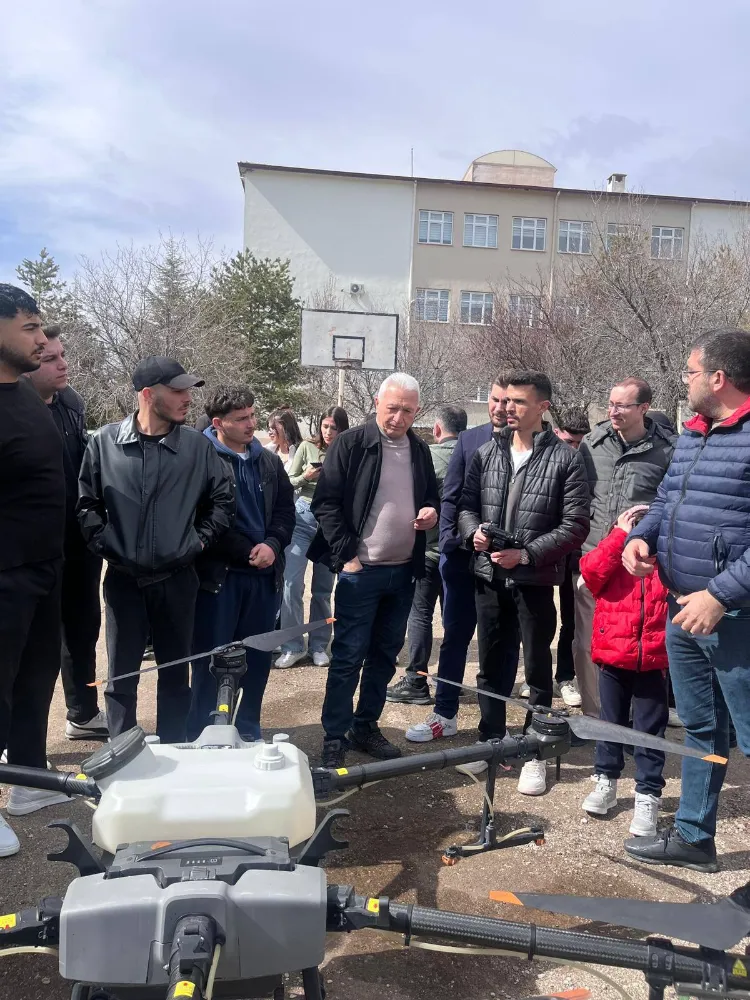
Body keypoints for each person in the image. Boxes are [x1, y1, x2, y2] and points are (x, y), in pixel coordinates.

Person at [622, 328, 750, 872]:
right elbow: (666, 499)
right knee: (701, 727)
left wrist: (720, 595)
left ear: (718, 378)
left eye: (690, 372)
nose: (685, 381)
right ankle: (695, 838)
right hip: (683, 609)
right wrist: (641, 538)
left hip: (735, 616)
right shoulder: (694, 433)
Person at [78, 356, 234, 744]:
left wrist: (197, 542)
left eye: (188, 391)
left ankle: (174, 749)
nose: (187, 399)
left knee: (176, 675)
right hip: (124, 582)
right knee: (121, 677)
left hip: (178, 580)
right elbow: (86, 505)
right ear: (148, 395)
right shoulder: (104, 444)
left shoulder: (197, 448)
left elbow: (222, 501)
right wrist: (108, 546)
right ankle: (121, 754)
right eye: (178, 391)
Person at [457, 370, 590, 795]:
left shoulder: (565, 459)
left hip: (534, 580)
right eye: (505, 400)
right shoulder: (487, 452)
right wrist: (473, 533)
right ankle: (491, 740)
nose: (507, 408)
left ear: (542, 408)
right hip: (489, 576)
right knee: (491, 666)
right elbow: (465, 505)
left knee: (536, 668)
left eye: (518, 402)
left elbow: (575, 525)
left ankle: (535, 751)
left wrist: (528, 554)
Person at [308, 373, 440, 767]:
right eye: (392, 408)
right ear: (377, 404)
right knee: (348, 656)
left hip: (403, 573)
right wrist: (348, 556)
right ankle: (335, 735)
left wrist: (431, 512)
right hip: (360, 572)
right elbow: (325, 503)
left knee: (384, 656)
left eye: (407, 411)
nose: (398, 417)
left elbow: (431, 496)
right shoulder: (352, 444)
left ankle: (365, 726)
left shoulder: (419, 450)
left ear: (418, 411)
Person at [0, 285, 70, 856]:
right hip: (4, 573)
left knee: (35, 677)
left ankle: (26, 777)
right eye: (30, 328)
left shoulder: (24, 393)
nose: (42, 340)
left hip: (44, 568)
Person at [404, 378, 513, 744]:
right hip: (462, 558)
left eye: (508, 401)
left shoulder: (532, 444)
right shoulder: (469, 440)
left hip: (505, 561)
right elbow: (450, 498)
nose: (499, 407)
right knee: (455, 637)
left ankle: (495, 726)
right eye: (494, 399)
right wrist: (455, 542)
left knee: (499, 645)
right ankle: (444, 713)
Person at [188, 387, 295, 739]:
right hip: (220, 580)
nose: (251, 424)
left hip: (264, 578)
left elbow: (285, 511)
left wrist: (273, 544)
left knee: (257, 660)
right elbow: (200, 518)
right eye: (241, 419)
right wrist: (249, 551)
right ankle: (204, 734)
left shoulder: (268, 461)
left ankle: (248, 730)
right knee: (212, 662)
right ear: (219, 423)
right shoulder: (199, 459)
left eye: (252, 415)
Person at [575, 379, 676, 717]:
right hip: (595, 560)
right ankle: (596, 720)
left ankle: (634, 721)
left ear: (644, 408)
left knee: (637, 646)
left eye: (622, 405)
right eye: (611, 404)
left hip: (639, 569)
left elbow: (671, 506)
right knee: (588, 643)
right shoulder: (592, 444)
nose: (613, 411)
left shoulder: (668, 451)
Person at [26, 325, 107, 740]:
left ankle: (83, 714)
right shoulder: (13, 409)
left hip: (78, 544)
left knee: (83, 630)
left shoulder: (71, 402)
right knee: (33, 648)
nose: (63, 364)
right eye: (50, 358)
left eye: (62, 355)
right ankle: (18, 743)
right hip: (31, 550)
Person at [579, 505, 669, 838]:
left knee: (650, 729)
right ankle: (605, 779)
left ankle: (648, 793)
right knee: (610, 722)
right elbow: (590, 572)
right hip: (613, 653)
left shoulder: (666, 560)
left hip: (653, 658)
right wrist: (619, 535)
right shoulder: (615, 555)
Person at [386, 404, 468, 704]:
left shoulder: (427, 458)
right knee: (454, 619)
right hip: (461, 551)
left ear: (437, 429)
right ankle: (450, 680)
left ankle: (416, 680)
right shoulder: (474, 456)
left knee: (420, 614)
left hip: (427, 550)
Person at [275, 406, 350, 669]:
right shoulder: (306, 447)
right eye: (325, 426)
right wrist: (306, 476)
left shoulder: (347, 450)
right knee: (291, 584)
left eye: (334, 427)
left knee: (323, 589)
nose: (328, 432)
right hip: (302, 518)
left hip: (330, 523)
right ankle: (292, 646)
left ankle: (318, 645)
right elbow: (287, 482)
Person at [549, 408, 591, 709]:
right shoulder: (544, 459)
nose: (573, 448)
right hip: (544, 550)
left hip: (576, 553)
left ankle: (566, 676)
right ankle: (540, 677)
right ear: (556, 433)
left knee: (572, 620)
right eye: (568, 441)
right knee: (538, 620)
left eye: (578, 443)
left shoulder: (587, 464)